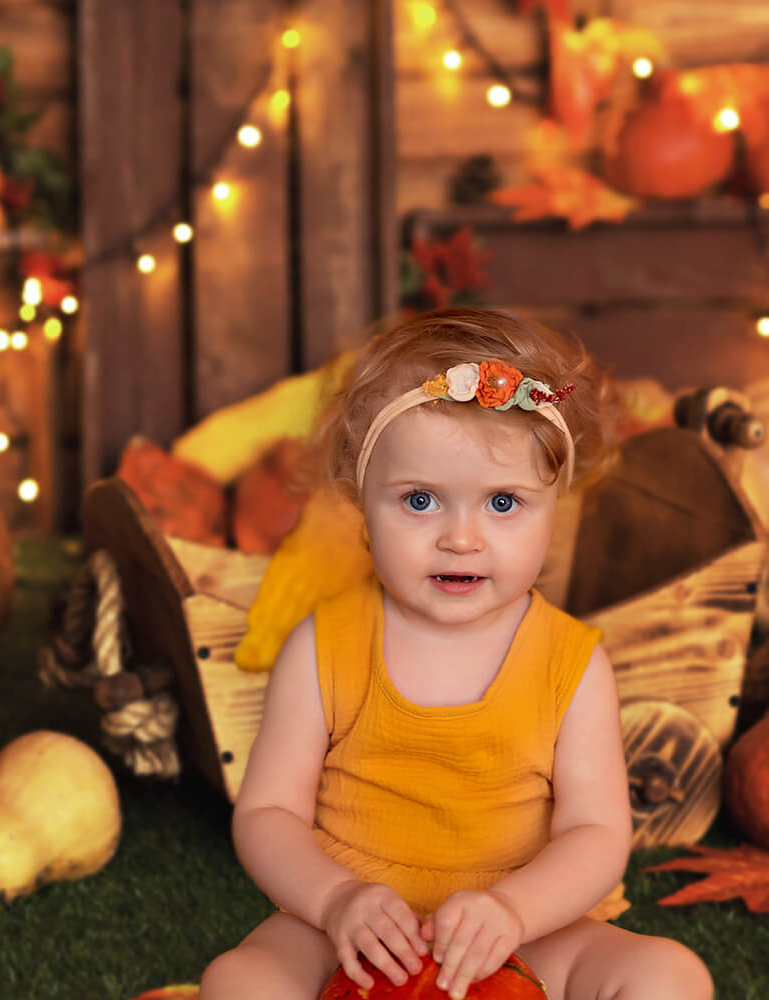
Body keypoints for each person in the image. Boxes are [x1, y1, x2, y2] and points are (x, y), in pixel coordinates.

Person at [200, 308, 713, 1000]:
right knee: (238, 982)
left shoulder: (571, 663)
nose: (461, 539)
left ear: (555, 501)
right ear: (359, 496)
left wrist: (515, 911)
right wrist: (335, 899)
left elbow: (595, 831)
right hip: (349, 934)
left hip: (527, 933)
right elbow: (268, 815)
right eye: (420, 500)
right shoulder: (323, 646)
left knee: (671, 977)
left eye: (503, 502)